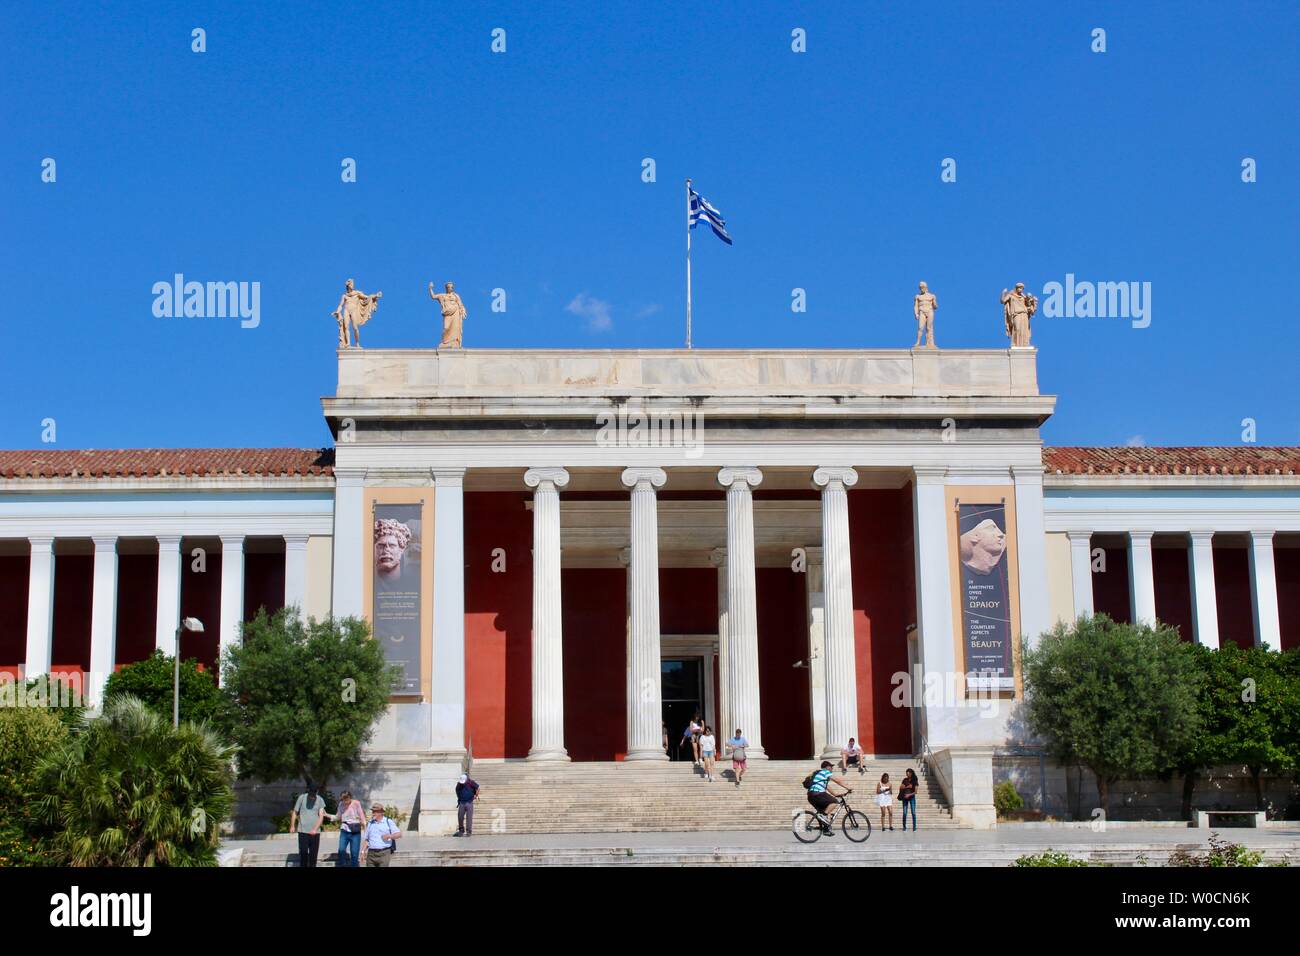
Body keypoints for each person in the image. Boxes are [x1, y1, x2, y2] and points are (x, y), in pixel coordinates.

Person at [806, 760, 852, 832]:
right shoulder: (825, 772)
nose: (832, 769)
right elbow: (837, 780)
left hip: (811, 796)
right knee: (834, 802)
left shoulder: (821, 777)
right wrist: (848, 787)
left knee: (826, 810)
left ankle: (826, 829)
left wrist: (837, 794)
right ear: (827, 767)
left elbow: (828, 788)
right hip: (817, 793)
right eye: (831, 767)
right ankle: (823, 816)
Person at [325, 789, 366, 867]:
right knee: (341, 850)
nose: (345, 802)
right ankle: (342, 865)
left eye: (347, 800)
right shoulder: (341, 804)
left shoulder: (356, 803)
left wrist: (365, 827)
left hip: (355, 832)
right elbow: (338, 817)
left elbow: (362, 816)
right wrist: (327, 815)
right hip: (345, 830)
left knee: (354, 853)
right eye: (343, 800)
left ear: (350, 798)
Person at [290, 784, 327, 868]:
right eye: (310, 795)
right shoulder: (302, 798)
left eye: (313, 795)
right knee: (303, 853)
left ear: (316, 792)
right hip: (303, 831)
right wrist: (292, 826)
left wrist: (315, 829)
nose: (312, 797)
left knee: (313, 855)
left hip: (315, 832)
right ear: (308, 791)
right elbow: (295, 812)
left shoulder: (320, 800)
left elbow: (321, 816)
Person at [359, 802, 401, 867]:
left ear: (381, 812)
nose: (373, 813)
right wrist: (362, 852)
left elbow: (399, 834)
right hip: (371, 854)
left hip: (384, 853)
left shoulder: (388, 821)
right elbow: (367, 839)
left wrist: (390, 836)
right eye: (373, 811)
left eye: (376, 812)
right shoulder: (370, 823)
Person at [454, 772, 479, 837]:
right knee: (460, 816)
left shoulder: (471, 782)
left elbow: (478, 788)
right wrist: (459, 798)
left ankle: (469, 832)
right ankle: (461, 830)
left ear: (466, 779)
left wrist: (476, 795)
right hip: (462, 802)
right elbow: (457, 790)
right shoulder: (459, 784)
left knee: (469, 818)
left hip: (469, 802)